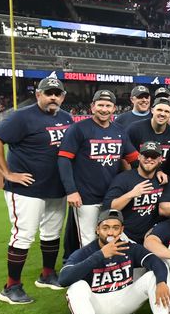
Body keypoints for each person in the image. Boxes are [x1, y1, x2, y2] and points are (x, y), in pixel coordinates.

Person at [0, 76, 73, 304]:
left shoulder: (66, 117)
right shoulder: (22, 117)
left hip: (56, 188)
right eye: (48, 93)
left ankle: (47, 274)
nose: (53, 97)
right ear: (38, 95)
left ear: (62, 96)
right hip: (26, 189)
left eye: (57, 93)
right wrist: (7, 173)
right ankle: (11, 287)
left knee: (52, 233)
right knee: (23, 235)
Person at [58, 89, 139, 249]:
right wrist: (71, 191)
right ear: (92, 107)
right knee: (88, 240)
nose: (104, 109)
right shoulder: (79, 128)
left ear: (114, 108)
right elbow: (64, 159)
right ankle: (88, 273)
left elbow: (134, 159)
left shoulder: (119, 131)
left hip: (111, 196)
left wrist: (155, 174)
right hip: (85, 196)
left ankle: (110, 270)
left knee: (113, 236)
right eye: (100, 105)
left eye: (108, 105)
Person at [103, 141, 166, 243]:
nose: (149, 159)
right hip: (126, 236)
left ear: (160, 160)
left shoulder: (163, 180)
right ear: (139, 157)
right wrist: (131, 194)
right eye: (146, 156)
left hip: (152, 237)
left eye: (153, 157)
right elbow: (108, 209)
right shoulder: (124, 178)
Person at [127, 98, 170, 179]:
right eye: (159, 110)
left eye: (166, 111)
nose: (162, 114)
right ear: (152, 110)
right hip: (135, 176)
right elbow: (125, 158)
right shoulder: (135, 129)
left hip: (161, 179)